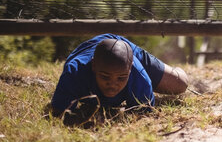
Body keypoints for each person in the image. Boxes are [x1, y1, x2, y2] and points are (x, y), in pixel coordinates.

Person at [51, 34, 188, 125]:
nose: (113, 84)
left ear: (130, 70)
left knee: (180, 84)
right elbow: (59, 114)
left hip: (124, 49)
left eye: (121, 78)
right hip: (99, 51)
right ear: (93, 66)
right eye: (105, 77)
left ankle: (174, 69)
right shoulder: (74, 72)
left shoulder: (138, 75)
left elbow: (142, 115)